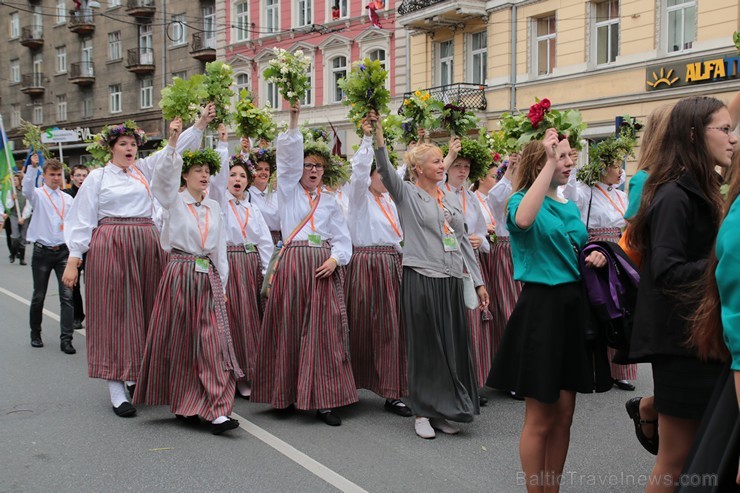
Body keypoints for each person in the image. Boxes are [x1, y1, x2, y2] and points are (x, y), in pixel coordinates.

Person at [489, 130, 611, 492]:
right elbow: (524, 221)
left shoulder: (569, 205)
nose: (570, 162)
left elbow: (578, 246)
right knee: (540, 417)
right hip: (541, 308)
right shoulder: (519, 201)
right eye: (562, 156)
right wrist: (546, 156)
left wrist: (598, 254)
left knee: (564, 416)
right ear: (541, 160)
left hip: (574, 308)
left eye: (571, 156)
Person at [627, 96, 736, 492]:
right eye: (724, 130)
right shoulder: (674, 194)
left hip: (700, 338)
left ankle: (649, 407)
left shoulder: (701, 186)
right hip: (680, 342)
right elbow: (668, 271)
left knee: (696, 456)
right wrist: (724, 266)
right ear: (693, 135)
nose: (732, 138)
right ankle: (649, 407)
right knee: (675, 461)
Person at [62, 118, 204, 418]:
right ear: (111, 149)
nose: (129, 149)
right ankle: (116, 387)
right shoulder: (98, 177)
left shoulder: (142, 171)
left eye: (133, 144)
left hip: (145, 245)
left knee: (145, 310)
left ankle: (134, 374)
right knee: (114, 313)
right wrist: (74, 258)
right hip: (111, 245)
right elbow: (82, 217)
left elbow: (171, 153)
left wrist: (197, 125)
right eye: (123, 144)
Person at [372, 117, 489, 440]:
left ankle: (444, 410)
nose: (444, 165)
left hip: (451, 279)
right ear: (420, 168)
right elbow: (385, 169)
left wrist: (478, 281)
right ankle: (422, 411)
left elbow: (463, 241)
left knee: (451, 347)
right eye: (437, 161)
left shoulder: (449, 198)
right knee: (426, 347)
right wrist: (379, 138)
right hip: (421, 278)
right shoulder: (407, 194)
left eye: (444, 160)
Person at [252, 102, 357, 427]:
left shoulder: (330, 201)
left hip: (321, 269)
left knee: (324, 333)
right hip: (294, 265)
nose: (313, 171)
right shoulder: (287, 191)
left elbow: (343, 240)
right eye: (309, 165)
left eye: (319, 167)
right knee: (287, 327)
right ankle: (283, 394)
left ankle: (324, 400)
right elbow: (285, 160)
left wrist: (334, 259)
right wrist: (294, 119)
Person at [134, 128, 243, 435]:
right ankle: (186, 403)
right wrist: (171, 143)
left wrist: (223, 283)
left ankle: (218, 410)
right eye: (198, 170)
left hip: (207, 275)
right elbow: (162, 180)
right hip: (180, 272)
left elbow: (220, 248)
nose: (204, 176)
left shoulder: (214, 206)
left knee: (213, 343)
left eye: (208, 171)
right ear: (186, 176)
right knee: (182, 342)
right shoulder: (173, 201)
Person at [563, 135, 639, 392]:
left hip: (618, 250)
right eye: (616, 166)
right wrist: (572, 166)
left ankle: (622, 367)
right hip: (595, 251)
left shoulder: (620, 195)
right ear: (602, 168)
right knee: (600, 305)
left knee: (621, 303)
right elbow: (570, 194)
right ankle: (597, 365)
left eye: (621, 166)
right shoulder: (586, 192)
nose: (621, 171)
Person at [345, 114, 410, 417]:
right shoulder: (359, 198)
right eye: (379, 175)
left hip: (393, 263)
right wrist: (368, 139)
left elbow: (405, 172)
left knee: (392, 328)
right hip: (366, 264)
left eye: (386, 175)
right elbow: (358, 173)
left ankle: (393, 391)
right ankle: (349, 385)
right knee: (360, 325)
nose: (384, 179)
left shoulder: (390, 201)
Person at [209, 126, 274, 400]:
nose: (237, 179)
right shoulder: (220, 203)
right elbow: (217, 177)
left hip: (249, 266)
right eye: (233, 175)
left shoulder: (251, 207)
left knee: (250, 320)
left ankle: (247, 371)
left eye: (242, 176)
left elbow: (265, 242)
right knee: (229, 319)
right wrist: (224, 145)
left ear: (249, 181)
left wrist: (266, 273)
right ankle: (229, 372)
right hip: (228, 261)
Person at [444, 138, 493, 404]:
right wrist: (450, 153)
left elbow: (484, 236)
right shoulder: (440, 192)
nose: (462, 171)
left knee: (472, 324)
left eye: (466, 167)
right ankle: (453, 382)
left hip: (470, 261)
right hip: (449, 259)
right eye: (458, 165)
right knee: (453, 324)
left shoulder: (471, 197)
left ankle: (471, 383)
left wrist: (479, 240)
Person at [22, 158, 75, 353]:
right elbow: (26, 189)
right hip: (42, 252)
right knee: (39, 295)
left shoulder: (67, 199)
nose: (55, 178)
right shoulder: (38, 195)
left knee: (67, 297)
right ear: (44, 176)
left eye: (58, 174)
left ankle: (66, 339)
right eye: (51, 174)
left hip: (63, 252)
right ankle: (35, 333)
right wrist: (32, 168)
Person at [485, 152, 524, 399]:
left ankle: (523, 371)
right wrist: (510, 169)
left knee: (526, 313)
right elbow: (496, 197)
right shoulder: (500, 194)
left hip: (525, 253)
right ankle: (511, 374)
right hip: (506, 251)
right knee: (510, 313)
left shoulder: (527, 193)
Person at [64, 164, 89, 330]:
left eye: (84, 175)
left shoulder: (92, 193)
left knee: (93, 283)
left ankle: (95, 315)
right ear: (72, 177)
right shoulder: (66, 195)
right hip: (73, 245)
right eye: (78, 175)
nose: (81, 179)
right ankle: (77, 316)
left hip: (90, 245)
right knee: (73, 283)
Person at [248, 147, 281, 245]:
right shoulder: (247, 194)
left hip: (277, 240)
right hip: (257, 241)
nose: (263, 172)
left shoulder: (276, 194)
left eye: (266, 169)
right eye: (259, 169)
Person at [6, 172, 32, 265]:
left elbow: (28, 206)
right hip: (14, 215)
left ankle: (22, 258)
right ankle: (12, 254)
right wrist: (12, 199)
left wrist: (23, 217)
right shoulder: (11, 191)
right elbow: (8, 205)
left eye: (15, 180)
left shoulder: (25, 192)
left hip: (24, 216)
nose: (14, 181)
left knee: (23, 237)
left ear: (20, 181)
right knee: (15, 236)